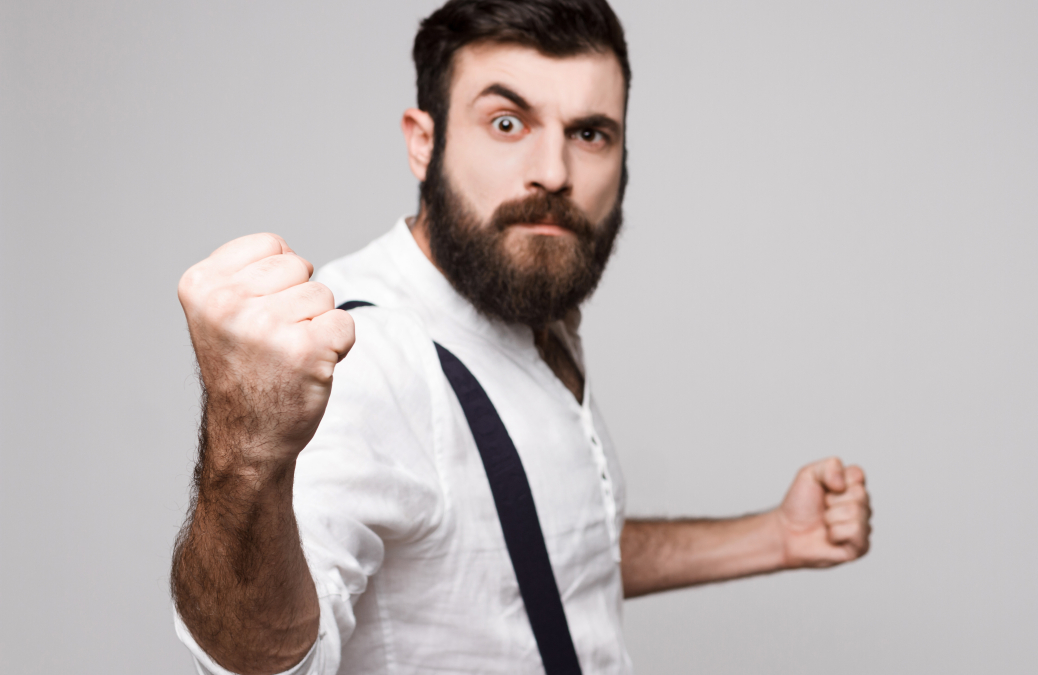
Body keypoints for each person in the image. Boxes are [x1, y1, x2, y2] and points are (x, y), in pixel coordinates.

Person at [170, 1, 873, 673]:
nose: (554, 173)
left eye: (589, 134)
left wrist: (775, 536)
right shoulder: (371, 358)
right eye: (507, 123)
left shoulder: (530, 307)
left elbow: (548, 545)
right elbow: (260, 663)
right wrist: (247, 455)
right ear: (424, 142)